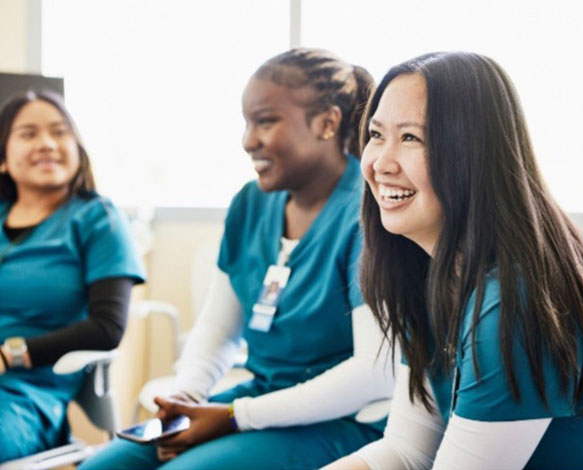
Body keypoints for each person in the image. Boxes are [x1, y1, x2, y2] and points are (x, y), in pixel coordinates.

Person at [326, 52, 583, 469]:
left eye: (412, 138)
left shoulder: (516, 301)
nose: (380, 163)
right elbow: (406, 453)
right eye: (377, 136)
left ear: (474, 156)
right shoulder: (433, 279)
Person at [80, 48, 395, 470]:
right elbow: (217, 326)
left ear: (327, 122)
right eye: (246, 123)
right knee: (103, 467)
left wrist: (235, 418)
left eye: (265, 121)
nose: (248, 140)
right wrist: (187, 397)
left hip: (346, 419)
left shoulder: (369, 210)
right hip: (262, 397)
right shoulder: (251, 204)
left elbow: (373, 373)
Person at [0, 90, 146, 462]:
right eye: (28, 134)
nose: (47, 143)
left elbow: (108, 326)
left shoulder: (97, 218)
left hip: (26, 392)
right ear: (3, 157)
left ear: (77, 147)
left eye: (59, 132)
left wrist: (10, 355)